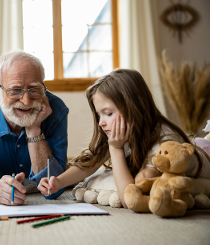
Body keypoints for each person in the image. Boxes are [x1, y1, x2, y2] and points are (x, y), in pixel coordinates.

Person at [38, 69, 210, 208]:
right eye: (99, 115)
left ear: (135, 107)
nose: (101, 123)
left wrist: (116, 149)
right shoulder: (123, 129)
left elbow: (131, 198)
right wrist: (58, 182)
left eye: (108, 113)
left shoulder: (162, 145)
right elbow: (90, 164)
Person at [0, 50, 69, 205]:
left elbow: (54, 189)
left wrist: (33, 128)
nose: (26, 101)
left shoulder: (57, 110)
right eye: (15, 90)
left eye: (34, 89)